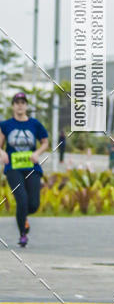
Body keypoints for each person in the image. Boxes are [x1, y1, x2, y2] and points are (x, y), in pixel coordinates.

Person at [0, 92, 49, 247]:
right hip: (13, 168)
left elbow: (45, 142)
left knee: (33, 204)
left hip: (32, 167)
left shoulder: (34, 124)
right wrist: (2, 153)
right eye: (17, 102)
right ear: (13, 106)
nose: (20, 105)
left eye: (23, 102)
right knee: (22, 200)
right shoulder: (6, 125)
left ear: (26, 105)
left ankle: (23, 218)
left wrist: (37, 153)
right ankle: (23, 234)